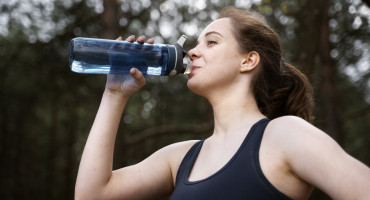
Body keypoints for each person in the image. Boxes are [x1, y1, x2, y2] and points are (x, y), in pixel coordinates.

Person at [75, 6, 370, 200]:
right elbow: (91, 195)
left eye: (211, 42)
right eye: (196, 44)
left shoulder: (286, 136)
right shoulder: (180, 158)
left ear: (248, 60)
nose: (192, 52)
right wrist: (114, 95)